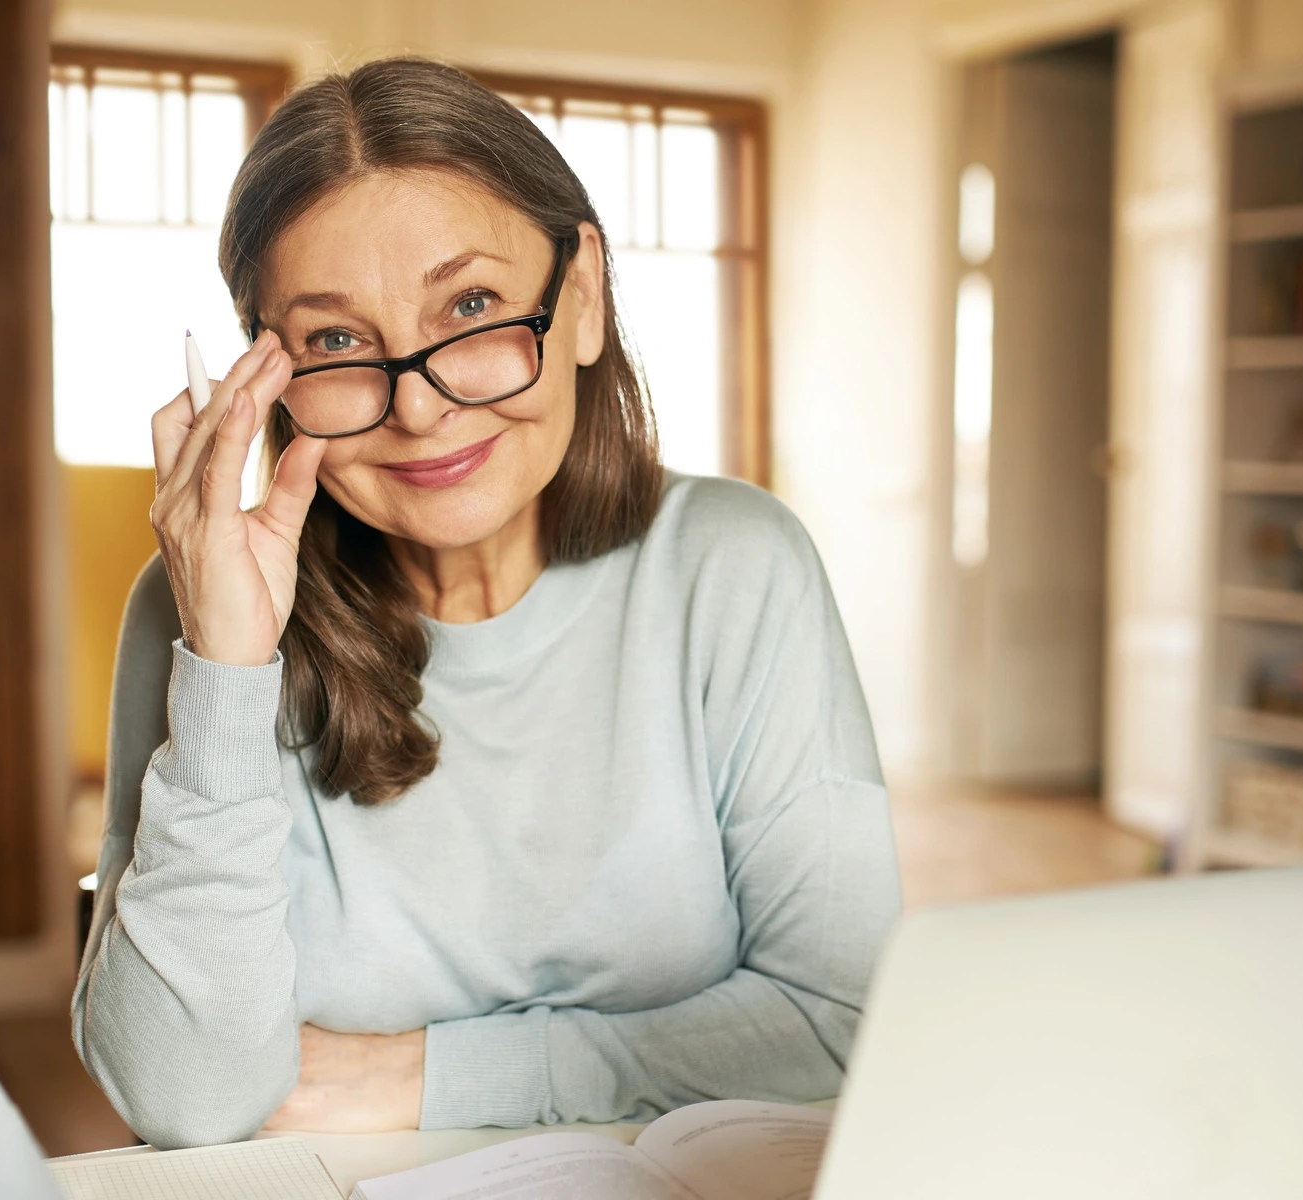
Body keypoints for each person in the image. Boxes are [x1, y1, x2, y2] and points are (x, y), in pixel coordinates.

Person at [72, 56, 901, 1151]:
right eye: (335, 342)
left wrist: (434, 1077)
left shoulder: (736, 568)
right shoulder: (195, 613)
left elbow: (844, 1028)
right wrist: (226, 672)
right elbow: (181, 1100)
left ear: (584, 295)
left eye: (471, 306)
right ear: (264, 375)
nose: (418, 409)